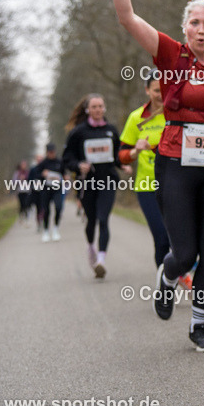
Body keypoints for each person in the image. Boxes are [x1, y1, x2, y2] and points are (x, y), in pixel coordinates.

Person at [110, 0, 204, 352]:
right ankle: (167, 278)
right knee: (184, 253)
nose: (201, 30)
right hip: (176, 160)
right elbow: (128, 19)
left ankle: (200, 325)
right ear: (185, 28)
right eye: (195, 23)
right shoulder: (169, 52)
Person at [62, 94, 124, 278]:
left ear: (104, 108)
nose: (98, 110)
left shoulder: (111, 130)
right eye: (94, 107)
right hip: (87, 183)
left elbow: (117, 154)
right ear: (87, 109)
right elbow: (67, 158)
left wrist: (123, 165)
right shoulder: (78, 132)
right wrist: (78, 165)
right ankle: (91, 248)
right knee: (92, 220)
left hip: (108, 181)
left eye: (100, 106)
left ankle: (101, 261)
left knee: (103, 219)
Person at [119, 77, 170, 278]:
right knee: (161, 238)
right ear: (147, 90)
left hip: (178, 185)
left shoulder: (177, 113)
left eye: (164, 89)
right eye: (156, 90)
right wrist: (135, 151)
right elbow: (122, 154)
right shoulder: (136, 117)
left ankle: (179, 272)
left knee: (180, 238)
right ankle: (165, 284)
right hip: (148, 186)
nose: (161, 95)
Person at [33, 143, 66, 242]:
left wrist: (65, 177)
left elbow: (64, 173)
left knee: (58, 207)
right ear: (47, 152)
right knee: (46, 210)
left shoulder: (60, 162)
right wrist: (42, 174)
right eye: (50, 152)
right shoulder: (43, 163)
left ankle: (56, 228)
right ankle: (46, 231)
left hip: (57, 189)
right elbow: (36, 175)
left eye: (53, 152)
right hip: (45, 189)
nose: (52, 153)